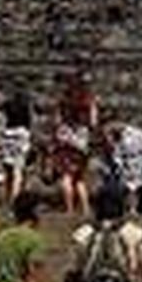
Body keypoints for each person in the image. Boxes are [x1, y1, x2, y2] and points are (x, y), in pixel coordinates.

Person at [54, 72, 98, 215]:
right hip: (81, 137)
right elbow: (93, 122)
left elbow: (57, 121)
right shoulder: (88, 100)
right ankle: (85, 209)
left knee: (66, 176)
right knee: (79, 177)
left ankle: (69, 208)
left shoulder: (63, 100)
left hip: (65, 138)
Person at [0, 84, 36, 203]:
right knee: (18, 171)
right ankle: (15, 199)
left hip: (8, 136)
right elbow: (30, 123)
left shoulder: (7, 105)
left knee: (8, 170)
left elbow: (2, 122)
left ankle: (7, 197)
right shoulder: (27, 106)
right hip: (21, 135)